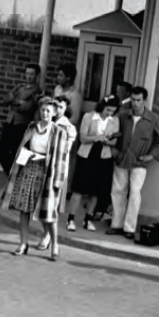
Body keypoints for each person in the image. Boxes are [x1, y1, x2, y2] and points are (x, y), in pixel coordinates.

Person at [5, 97, 73, 261]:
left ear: (55, 112)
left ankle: (55, 245)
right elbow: (24, 146)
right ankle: (23, 243)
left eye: (49, 111)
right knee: (24, 209)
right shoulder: (32, 127)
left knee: (48, 212)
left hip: (47, 173)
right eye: (42, 110)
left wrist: (58, 181)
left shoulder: (59, 132)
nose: (45, 113)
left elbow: (61, 159)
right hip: (29, 169)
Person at [106, 87, 159, 239]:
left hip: (139, 161)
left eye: (138, 100)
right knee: (117, 191)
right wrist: (113, 149)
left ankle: (129, 227)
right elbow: (113, 134)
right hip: (122, 158)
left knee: (135, 193)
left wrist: (151, 156)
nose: (135, 103)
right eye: (133, 100)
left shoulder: (153, 118)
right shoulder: (123, 116)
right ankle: (116, 224)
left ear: (145, 100)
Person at [67, 95, 120, 232]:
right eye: (108, 110)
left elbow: (114, 141)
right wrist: (98, 138)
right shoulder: (89, 117)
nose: (110, 113)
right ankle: (71, 219)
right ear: (102, 106)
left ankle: (88, 219)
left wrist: (106, 141)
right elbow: (83, 137)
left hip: (104, 156)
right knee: (79, 188)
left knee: (95, 191)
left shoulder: (114, 120)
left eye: (113, 111)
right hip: (87, 154)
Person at [0, 64, 41, 173]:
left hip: (21, 124)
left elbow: (26, 107)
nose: (29, 76)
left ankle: (13, 176)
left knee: (16, 151)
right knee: (0, 151)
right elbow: (5, 99)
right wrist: (17, 101)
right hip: (10, 121)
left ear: (36, 76)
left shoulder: (37, 91)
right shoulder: (19, 87)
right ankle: (10, 173)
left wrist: (14, 101)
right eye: (27, 73)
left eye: (32, 74)